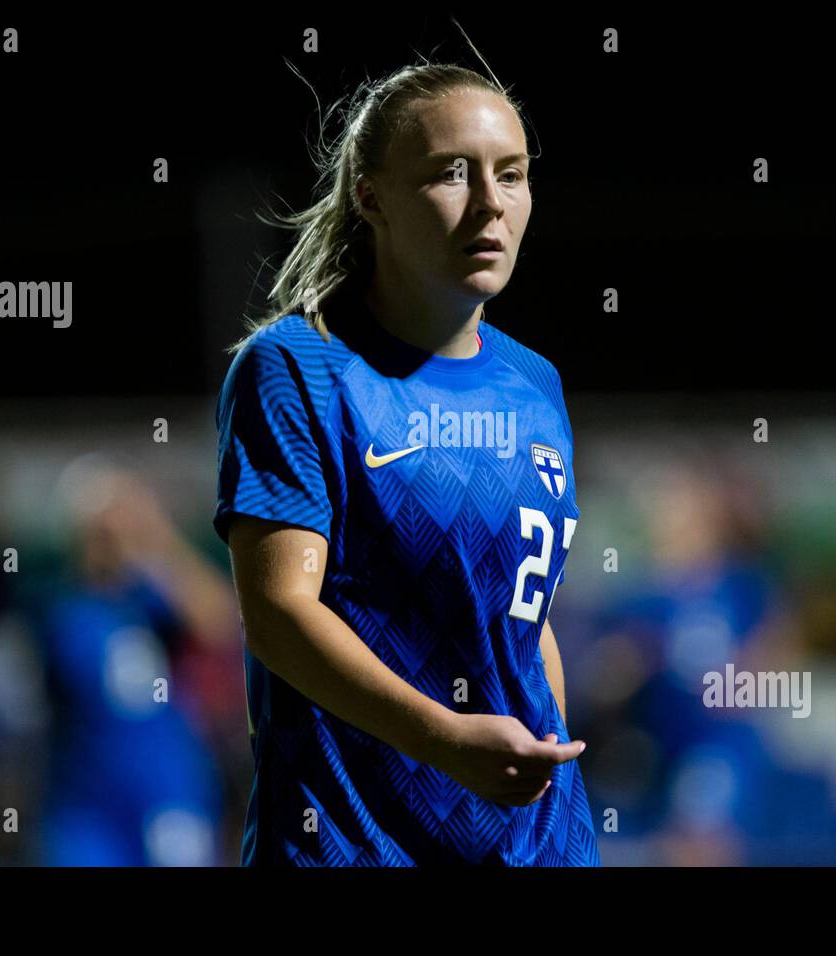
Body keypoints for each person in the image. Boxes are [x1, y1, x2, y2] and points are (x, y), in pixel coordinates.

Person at [213, 59, 599, 865]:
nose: (491, 203)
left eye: (514, 175)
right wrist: (448, 741)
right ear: (370, 194)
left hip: (537, 842)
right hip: (354, 843)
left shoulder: (536, 384)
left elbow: (525, 623)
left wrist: (537, 760)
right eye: (451, 174)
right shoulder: (299, 368)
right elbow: (281, 614)